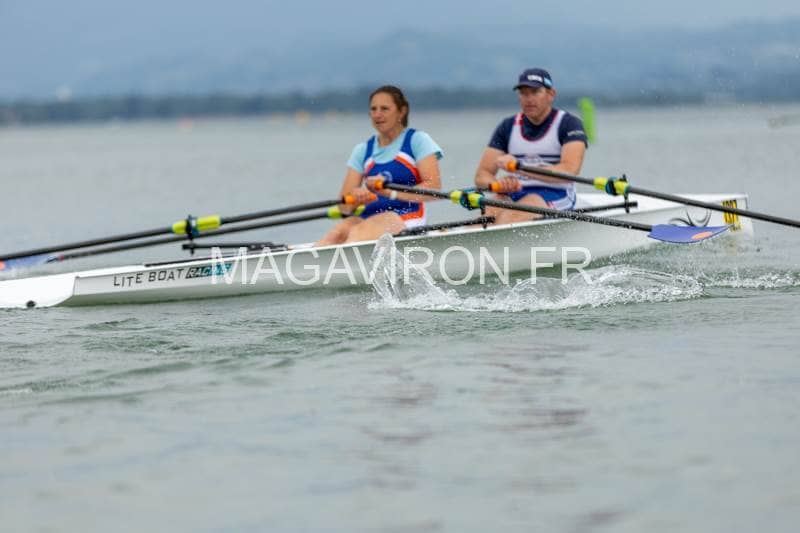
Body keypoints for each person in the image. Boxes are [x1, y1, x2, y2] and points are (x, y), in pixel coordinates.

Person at [316, 85, 443, 245]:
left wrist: (390, 192)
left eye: (384, 109)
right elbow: (344, 208)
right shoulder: (362, 150)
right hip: (368, 218)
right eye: (373, 109)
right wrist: (357, 199)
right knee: (336, 234)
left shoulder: (418, 140)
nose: (377, 114)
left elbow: (434, 189)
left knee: (358, 233)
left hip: (405, 217)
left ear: (402, 111)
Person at [474, 68, 588, 224]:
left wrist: (519, 168)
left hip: (557, 194)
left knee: (521, 208)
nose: (529, 99)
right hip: (516, 193)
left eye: (535, 92)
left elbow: (570, 170)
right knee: (490, 210)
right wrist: (498, 185)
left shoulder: (569, 124)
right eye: (524, 93)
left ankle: (498, 235)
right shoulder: (508, 126)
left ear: (551, 94)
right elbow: (482, 175)